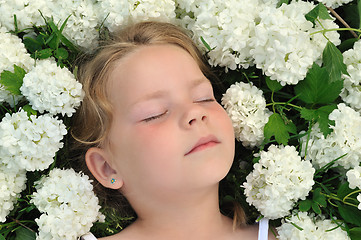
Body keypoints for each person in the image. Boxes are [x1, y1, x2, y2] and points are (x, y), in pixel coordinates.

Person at [72, 21, 276, 240]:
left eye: (204, 97)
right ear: (107, 168)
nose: (195, 113)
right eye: (155, 113)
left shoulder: (288, 233)